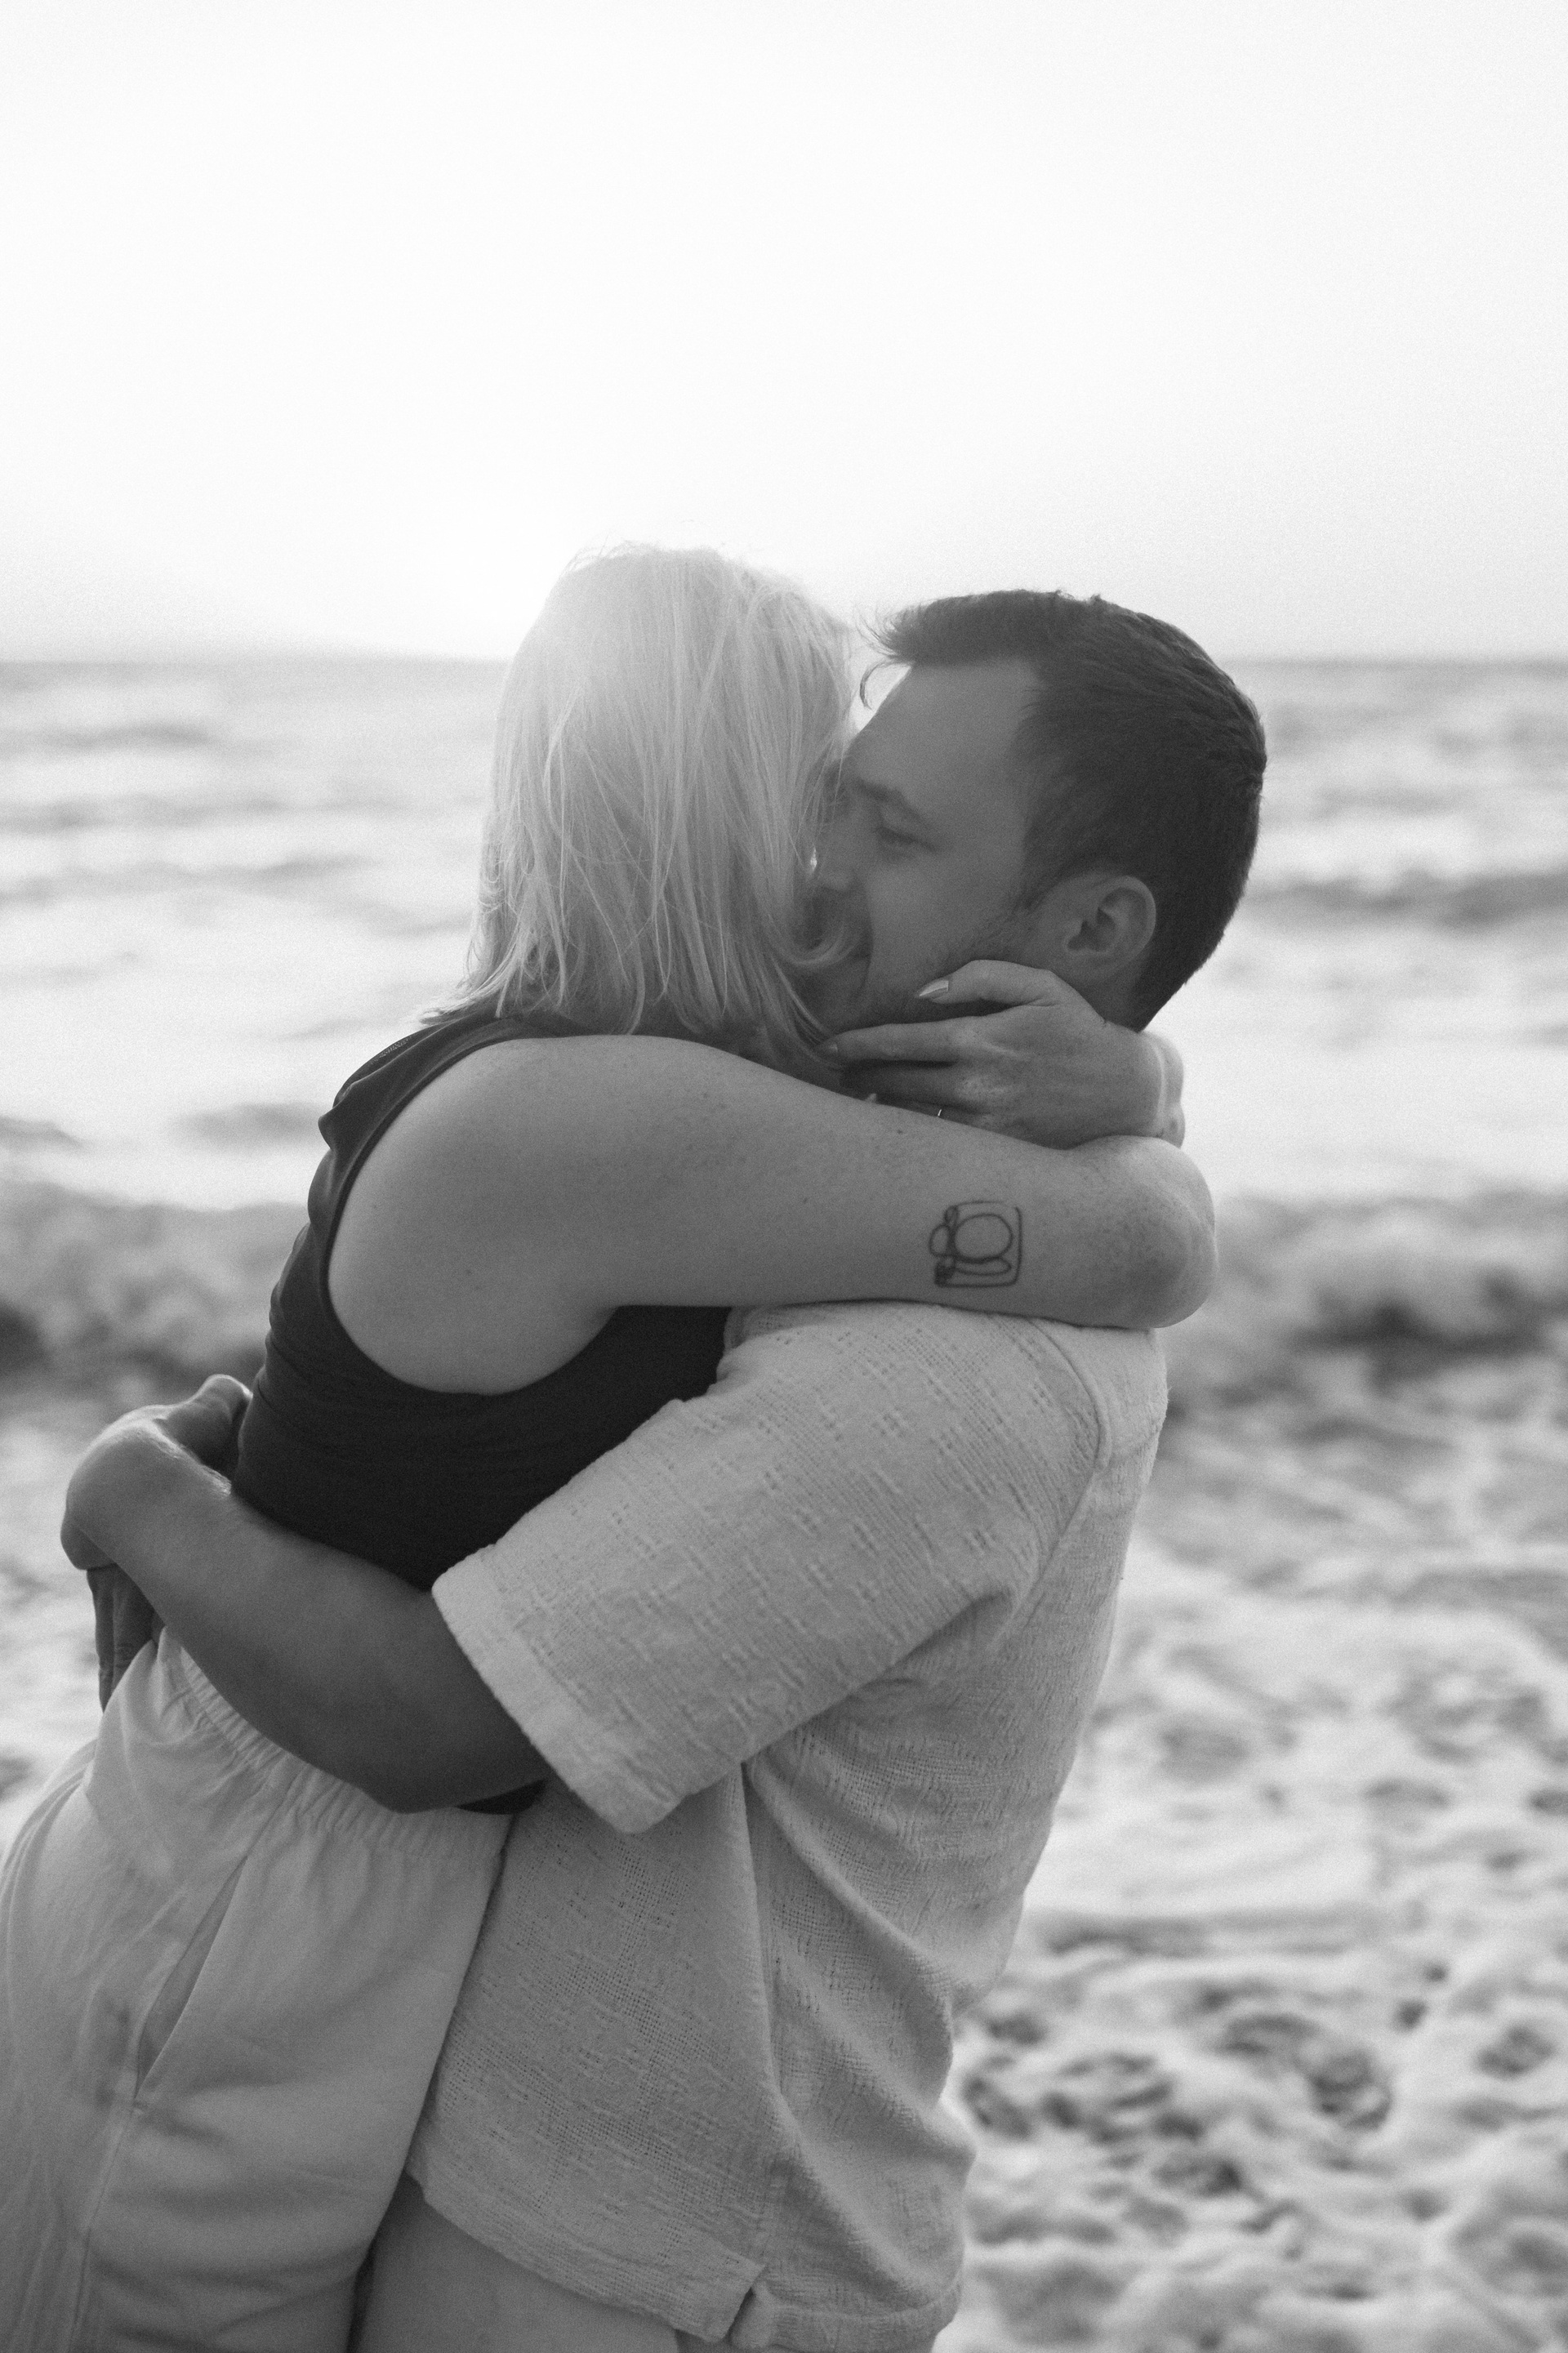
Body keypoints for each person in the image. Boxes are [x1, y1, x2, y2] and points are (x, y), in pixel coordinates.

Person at [0, 555, 1241, 2353]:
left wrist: (1137, 1084)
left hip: (334, 1933)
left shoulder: (732, 1120)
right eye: (822, 802)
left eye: (878, 823)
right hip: (243, 1913)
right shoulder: (605, 1118)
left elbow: (1063, 1227)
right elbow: (1130, 1246)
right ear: (708, 813)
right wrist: (130, 1489)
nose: (828, 866)